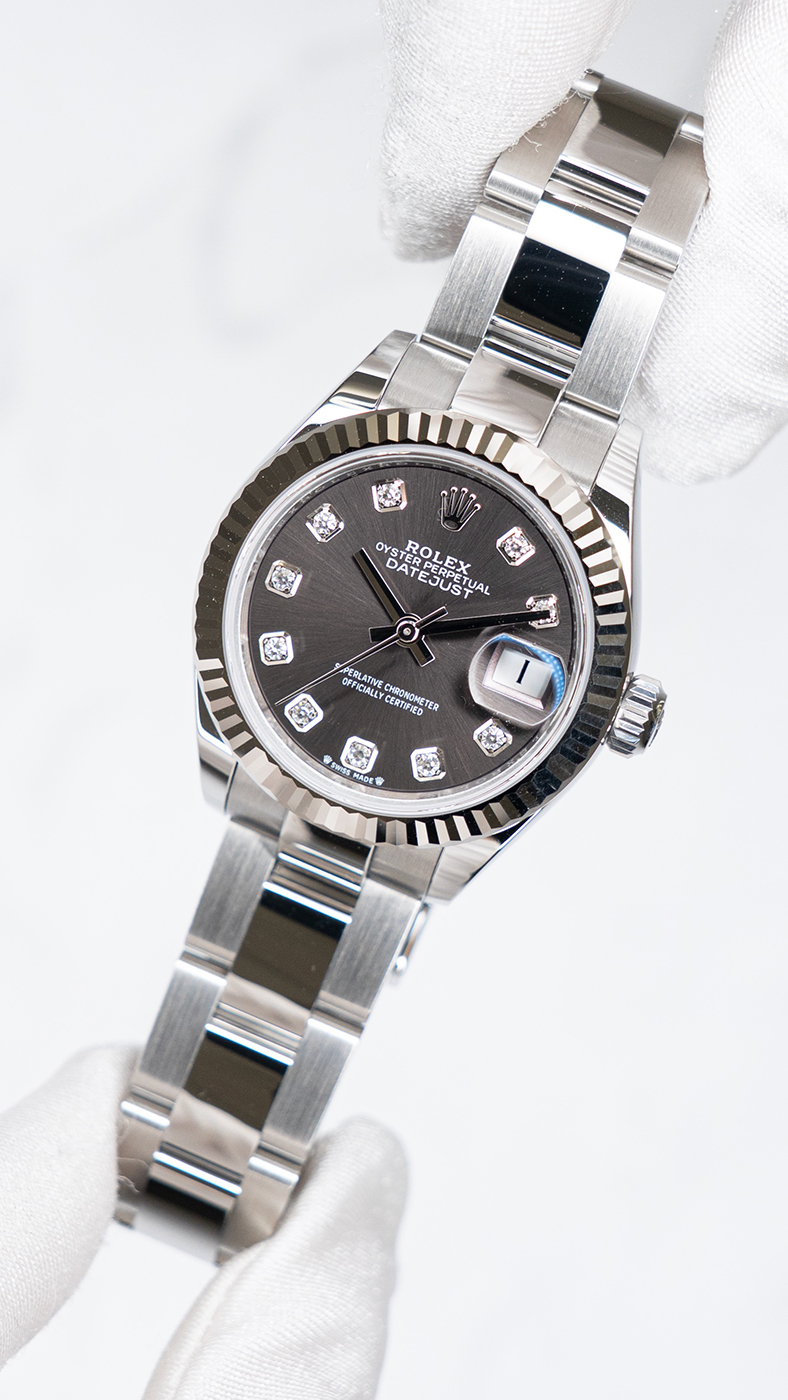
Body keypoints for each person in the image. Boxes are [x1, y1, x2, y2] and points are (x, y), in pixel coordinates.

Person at [1, 0, 786, 1393]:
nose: (417, 630)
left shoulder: (511, 577)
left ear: (610, 705)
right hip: (303, 736)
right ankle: (199, 1162)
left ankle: (206, 1161)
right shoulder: (362, 469)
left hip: (355, 748)